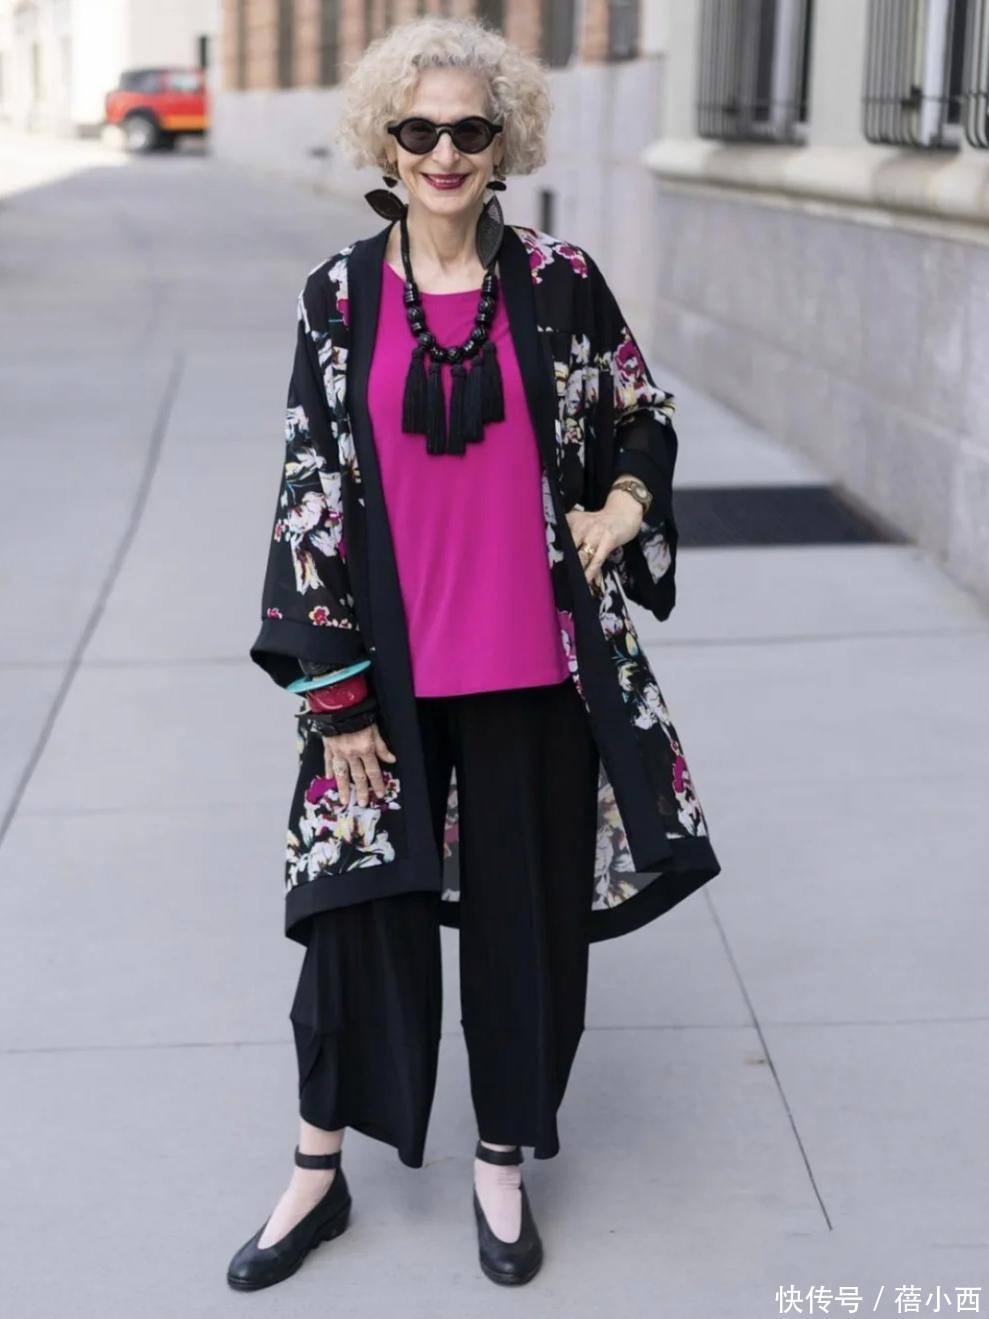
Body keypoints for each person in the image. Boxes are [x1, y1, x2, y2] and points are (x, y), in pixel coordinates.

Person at [227, 13, 721, 1293]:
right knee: (350, 921)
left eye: (468, 130)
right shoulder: (339, 295)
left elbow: (641, 409)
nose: (442, 152)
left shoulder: (559, 282)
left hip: (535, 674)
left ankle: (500, 1165)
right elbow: (307, 489)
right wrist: (333, 692)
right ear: (383, 140)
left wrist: (623, 505)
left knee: (525, 932)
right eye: (418, 129)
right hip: (379, 683)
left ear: (506, 142)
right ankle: (316, 1171)